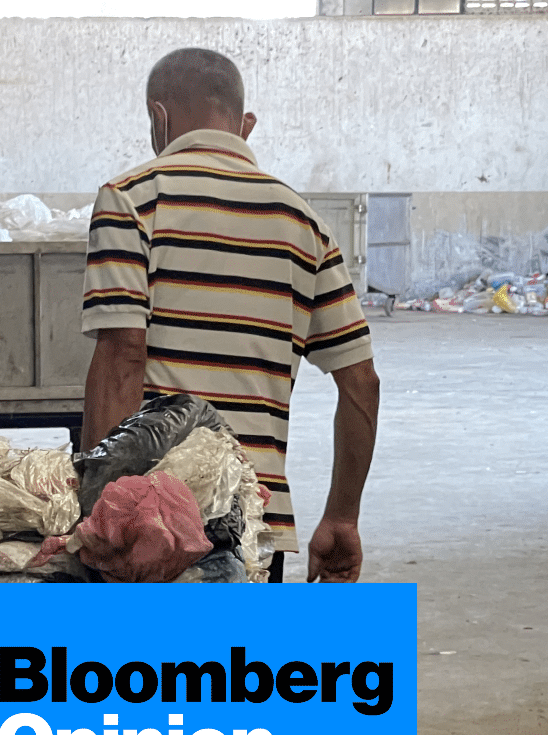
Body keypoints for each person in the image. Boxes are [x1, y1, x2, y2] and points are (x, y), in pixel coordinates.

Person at [80, 47, 379, 584]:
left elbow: (122, 356)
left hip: (157, 526)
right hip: (259, 526)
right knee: (246, 645)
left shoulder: (132, 200)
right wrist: (342, 517)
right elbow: (361, 383)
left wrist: (97, 513)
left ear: (158, 118)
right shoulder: (304, 223)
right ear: (246, 125)